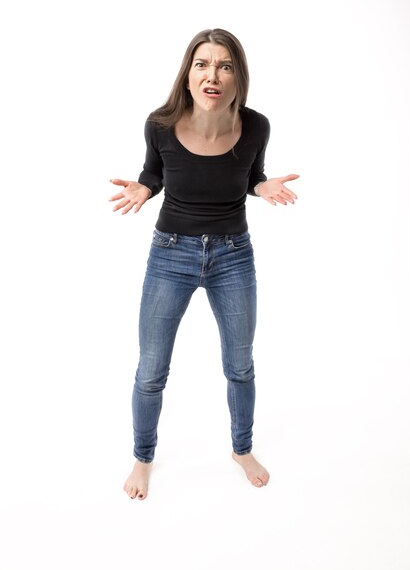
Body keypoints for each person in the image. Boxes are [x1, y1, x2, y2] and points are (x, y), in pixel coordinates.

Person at [109, 28, 300, 500]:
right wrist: (142, 189)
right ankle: (142, 457)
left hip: (233, 256)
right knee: (151, 369)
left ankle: (241, 449)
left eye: (224, 65)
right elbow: (153, 172)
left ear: (237, 77)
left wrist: (262, 188)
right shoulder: (159, 123)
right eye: (202, 64)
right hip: (170, 254)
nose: (212, 74)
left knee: (240, 365)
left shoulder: (256, 126)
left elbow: (251, 176)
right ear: (188, 74)